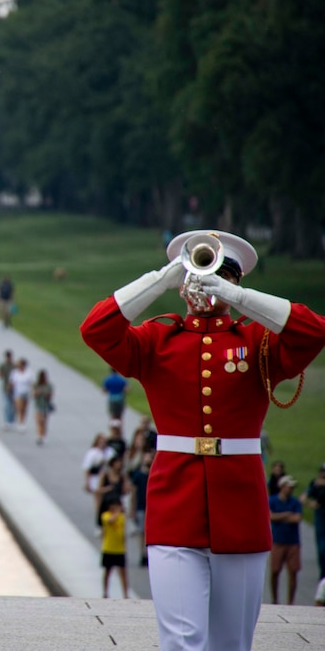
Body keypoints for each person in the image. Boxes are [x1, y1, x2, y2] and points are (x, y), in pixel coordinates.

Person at [80, 229, 325, 650]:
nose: (205, 284)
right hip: (175, 505)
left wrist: (241, 299)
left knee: (231, 643)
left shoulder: (256, 343)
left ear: (235, 282)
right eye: (197, 271)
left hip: (240, 510)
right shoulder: (158, 340)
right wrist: (161, 279)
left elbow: (313, 331)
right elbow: (96, 329)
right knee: (181, 641)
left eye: (220, 274)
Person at [269, 475, 302, 605]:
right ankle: (274, 599)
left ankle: (290, 601)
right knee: (275, 571)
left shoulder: (295, 502)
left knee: (293, 571)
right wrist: (287, 514)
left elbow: (297, 519)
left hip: (293, 542)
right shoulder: (272, 500)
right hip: (278, 540)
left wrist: (279, 517)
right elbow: (270, 517)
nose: (291, 489)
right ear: (282, 487)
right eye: (289, 486)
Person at [300, 462, 325, 582]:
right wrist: (312, 504)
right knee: (322, 548)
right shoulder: (315, 484)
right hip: (320, 517)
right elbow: (303, 498)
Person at [101, 497, 129, 599]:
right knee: (107, 572)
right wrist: (118, 512)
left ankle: (126, 594)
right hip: (109, 548)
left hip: (120, 549)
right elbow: (110, 521)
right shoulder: (105, 515)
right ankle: (105, 592)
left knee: (123, 573)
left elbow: (123, 532)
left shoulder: (122, 517)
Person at [129, 450, 153, 566]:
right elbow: (133, 493)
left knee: (150, 532)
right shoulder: (138, 475)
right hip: (140, 506)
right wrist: (132, 508)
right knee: (141, 531)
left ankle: (149, 554)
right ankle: (142, 554)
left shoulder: (153, 474)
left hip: (152, 508)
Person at [8, 357, 35, 431]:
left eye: (20, 365)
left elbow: (31, 383)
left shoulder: (29, 373)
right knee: (19, 407)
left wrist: (32, 391)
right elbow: (12, 382)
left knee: (24, 408)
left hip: (26, 392)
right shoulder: (15, 372)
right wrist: (10, 389)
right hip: (17, 392)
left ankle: (23, 422)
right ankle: (20, 421)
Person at [32, 369, 54, 446]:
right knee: (39, 421)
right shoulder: (36, 385)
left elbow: (50, 396)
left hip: (45, 405)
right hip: (38, 405)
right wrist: (38, 392)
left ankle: (43, 436)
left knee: (44, 422)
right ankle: (39, 436)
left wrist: (43, 392)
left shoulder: (49, 385)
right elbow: (34, 395)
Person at [0, 351, 16, 431]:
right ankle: (7, 421)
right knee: (7, 405)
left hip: (14, 388)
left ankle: (12, 420)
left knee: (13, 405)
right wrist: (2, 373)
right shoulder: (3, 366)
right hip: (5, 387)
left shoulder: (14, 366)